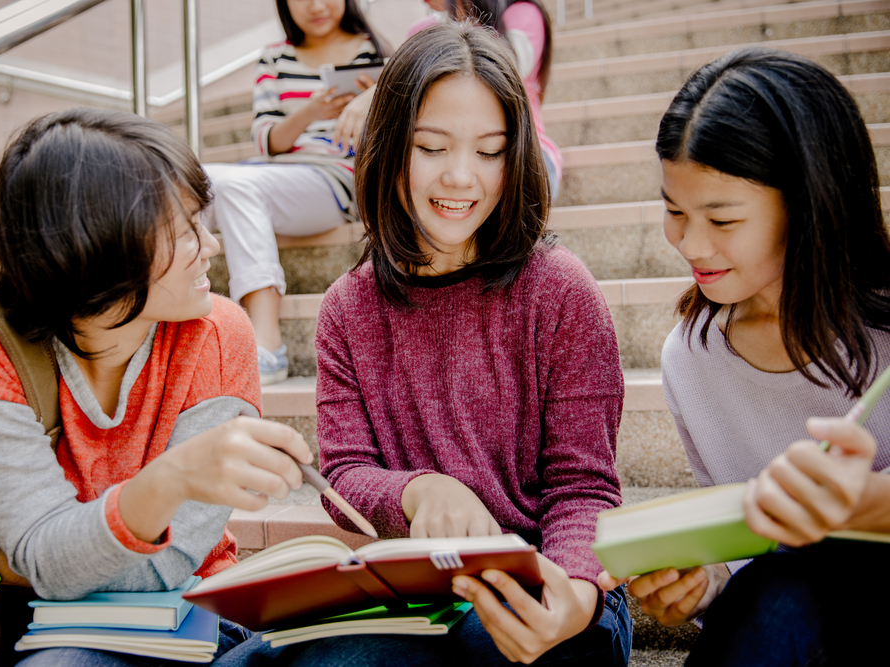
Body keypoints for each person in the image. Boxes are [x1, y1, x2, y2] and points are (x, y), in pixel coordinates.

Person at [0, 107, 314, 666]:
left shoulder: (218, 331)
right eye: (185, 233)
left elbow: (168, 566)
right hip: (59, 631)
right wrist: (168, 480)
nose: (213, 247)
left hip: (201, 613)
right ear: (95, 249)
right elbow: (48, 564)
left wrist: (13, 553)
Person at [298, 22, 631, 666]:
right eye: (431, 147)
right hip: (415, 594)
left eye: (490, 151)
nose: (460, 178)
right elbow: (342, 476)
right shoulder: (348, 306)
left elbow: (583, 489)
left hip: (550, 581)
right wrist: (419, 491)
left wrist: (572, 594)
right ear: (391, 147)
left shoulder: (559, 290)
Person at [597, 48, 890, 665]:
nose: (689, 242)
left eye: (722, 219)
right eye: (675, 211)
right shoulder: (693, 357)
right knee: (779, 588)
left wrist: (866, 506)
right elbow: (743, 544)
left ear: (810, 204)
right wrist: (707, 580)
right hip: (793, 614)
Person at [202, 0, 386, 385]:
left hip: (335, 178)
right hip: (274, 174)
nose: (316, 6)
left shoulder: (376, 51)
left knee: (235, 186)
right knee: (189, 179)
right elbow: (267, 141)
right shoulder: (275, 57)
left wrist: (370, 99)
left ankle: (267, 343)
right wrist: (310, 112)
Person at [333, 0, 562, 200]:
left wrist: (377, 92)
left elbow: (499, 77)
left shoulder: (522, 14)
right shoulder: (422, 30)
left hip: (522, 149)